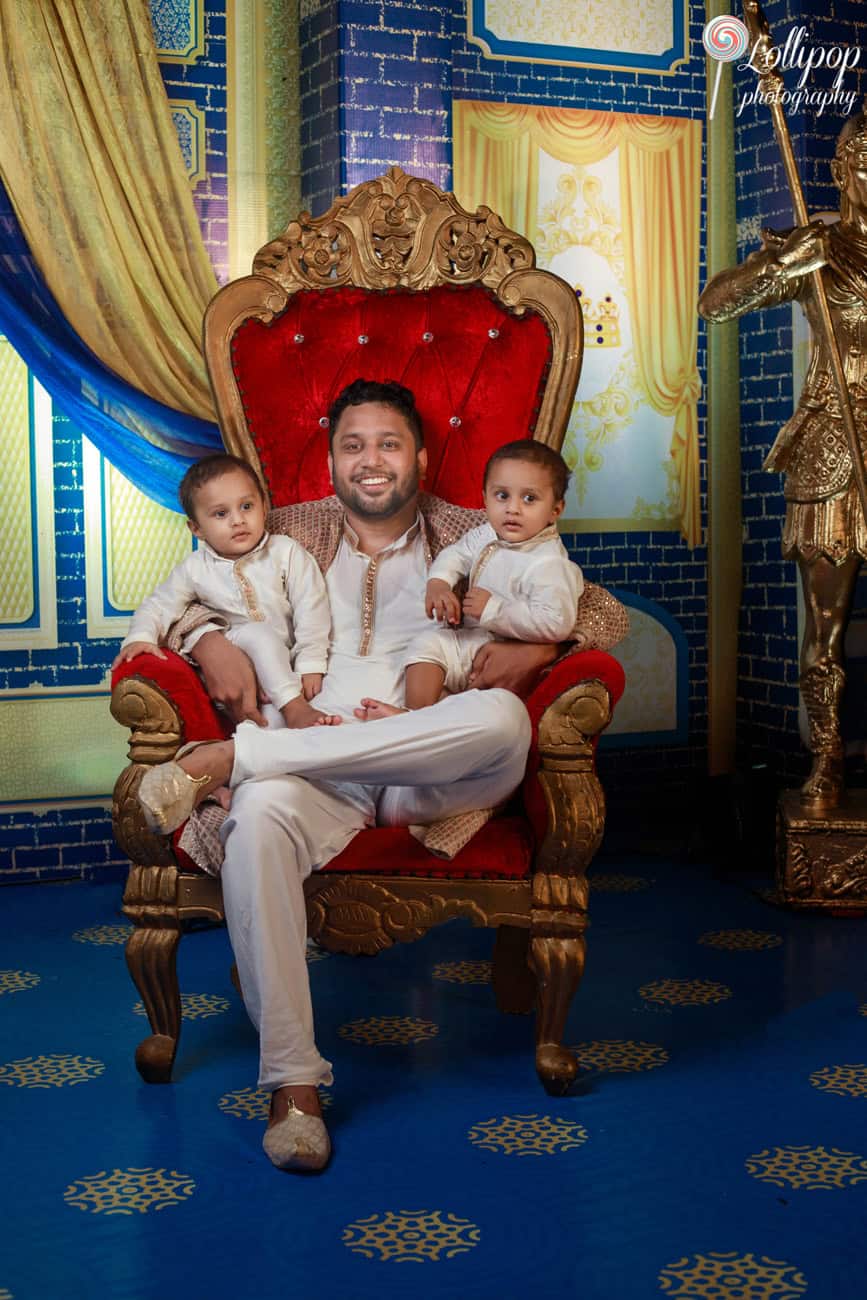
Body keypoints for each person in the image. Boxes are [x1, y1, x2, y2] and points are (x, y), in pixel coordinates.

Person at [142, 379, 627, 1174]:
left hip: (432, 765)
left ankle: (241, 758)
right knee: (256, 818)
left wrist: (541, 648)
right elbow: (188, 586)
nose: (371, 461)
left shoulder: (479, 529)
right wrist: (202, 638)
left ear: (420, 456)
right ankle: (294, 1089)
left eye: (389, 444)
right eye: (353, 444)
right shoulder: (287, 527)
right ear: (331, 454)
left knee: (502, 719)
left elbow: (602, 614)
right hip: (320, 755)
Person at [699, 104, 867, 808]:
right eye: (861, 164)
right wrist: (782, 260)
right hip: (832, 448)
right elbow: (716, 303)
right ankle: (823, 761)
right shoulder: (824, 250)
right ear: (840, 173)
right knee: (824, 624)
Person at [357, 439, 583, 719]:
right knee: (427, 644)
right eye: (502, 496)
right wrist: (438, 582)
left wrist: (494, 609)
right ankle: (414, 716)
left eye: (529, 498)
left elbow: (556, 623)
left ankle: (425, 721)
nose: (513, 508)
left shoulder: (549, 563)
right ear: (485, 498)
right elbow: (458, 554)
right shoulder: (488, 533)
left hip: (508, 653)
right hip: (470, 641)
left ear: (555, 510)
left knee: (492, 709)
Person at [113, 453, 336, 734]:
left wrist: (311, 662)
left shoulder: (285, 551)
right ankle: (293, 707)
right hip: (237, 654)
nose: (238, 520)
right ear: (196, 529)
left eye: (246, 506)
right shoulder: (194, 569)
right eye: (221, 513)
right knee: (259, 633)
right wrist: (141, 637)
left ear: (264, 507)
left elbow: (311, 606)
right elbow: (157, 606)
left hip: (285, 666)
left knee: (273, 728)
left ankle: (266, 741)